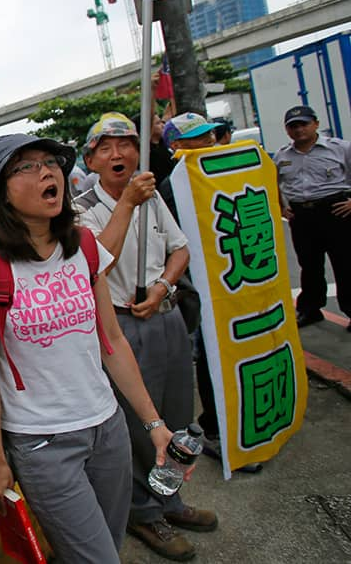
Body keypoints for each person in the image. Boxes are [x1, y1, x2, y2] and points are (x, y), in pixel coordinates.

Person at [0, 132, 174, 562]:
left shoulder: (84, 247)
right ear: (0, 190)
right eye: (28, 166)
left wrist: (153, 423)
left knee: (106, 546)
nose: (47, 171)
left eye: (50, 163)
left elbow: (111, 341)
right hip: (44, 445)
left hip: (108, 429)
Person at [77, 113, 218, 562]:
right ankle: (142, 511)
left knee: (177, 418)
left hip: (166, 317)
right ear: (91, 159)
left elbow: (179, 249)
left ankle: (170, 500)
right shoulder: (80, 208)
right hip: (120, 327)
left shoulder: (152, 197)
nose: (118, 153)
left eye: (127, 144)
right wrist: (127, 204)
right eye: (106, 147)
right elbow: (95, 262)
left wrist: (164, 287)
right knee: (141, 425)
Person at [158, 112, 263, 474]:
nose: (209, 143)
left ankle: (240, 420)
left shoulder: (227, 173)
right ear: (176, 147)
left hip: (235, 280)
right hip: (204, 289)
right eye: (197, 139)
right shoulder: (177, 185)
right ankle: (217, 431)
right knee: (211, 353)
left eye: (210, 136)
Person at [274, 105, 351, 331]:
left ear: (316, 124)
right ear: (287, 130)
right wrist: (281, 207)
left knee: (345, 263)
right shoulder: (281, 156)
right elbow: (273, 183)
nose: (299, 130)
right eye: (293, 126)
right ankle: (310, 309)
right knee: (309, 265)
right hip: (302, 216)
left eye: (303, 124)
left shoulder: (341, 149)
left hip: (336, 211)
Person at [133, 112, 175, 185]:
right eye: (158, 123)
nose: (163, 125)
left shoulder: (166, 144)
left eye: (162, 122)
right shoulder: (145, 151)